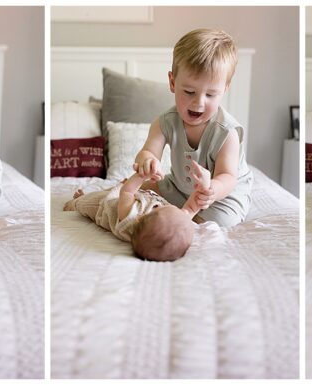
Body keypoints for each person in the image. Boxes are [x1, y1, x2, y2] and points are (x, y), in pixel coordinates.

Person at [133, 28, 253, 227]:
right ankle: (99, 199)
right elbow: (148, 151)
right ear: (172, 82)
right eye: (189, 91)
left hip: (221, 196)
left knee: (222, 221)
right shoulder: (164, 123)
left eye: (211, 95)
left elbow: (228, 177)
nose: (199, 102)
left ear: (225, 89)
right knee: (139, 188)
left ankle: (182, 218)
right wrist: (147, 161)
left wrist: (212, 189)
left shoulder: (226, 132)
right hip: (180, 187)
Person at [64, 161, 212, 262]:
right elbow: (192, 207)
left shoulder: (129, 217)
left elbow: (127, 193)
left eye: (161, 208)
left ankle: (75, 201)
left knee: (86, 203)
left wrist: (141, 177)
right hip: (138, 196)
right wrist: (203, 187)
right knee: (121, 187)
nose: (179, 209)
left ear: (139, 218)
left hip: (106, 205)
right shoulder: (176, 220)